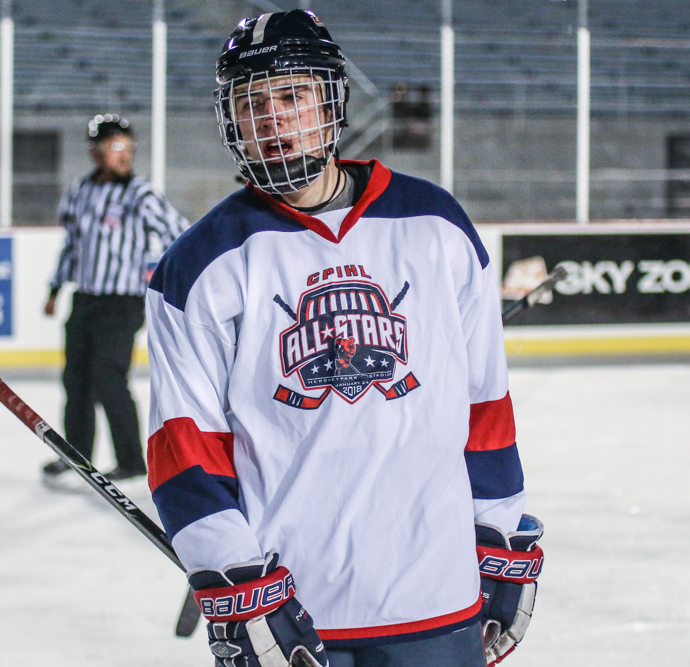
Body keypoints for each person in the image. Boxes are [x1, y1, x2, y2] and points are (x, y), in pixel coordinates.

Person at [145, 11, 543, 667]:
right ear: (231, 121)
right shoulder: (199, 265)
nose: (272, 118)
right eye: (251, 103)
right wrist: (231, 574)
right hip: (293, 613)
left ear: (331, 102)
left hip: (437, 597)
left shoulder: (436, 223)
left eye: (292, 95)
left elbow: (485, 404)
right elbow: (184, 449)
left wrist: (498, 526)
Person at [44, 114, 189, 483]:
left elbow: (179, 234)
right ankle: (74, 454)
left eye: (128, 147)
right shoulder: (80, 191)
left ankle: (131, 460)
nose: (124, 155)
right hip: (85, 298)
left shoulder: (140, 194)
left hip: (123, 302)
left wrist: (176, 279)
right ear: (95, 152)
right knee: (75, 379)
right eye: (115, 147)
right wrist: (55, 288)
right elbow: (72, 246)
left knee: (110, 378)